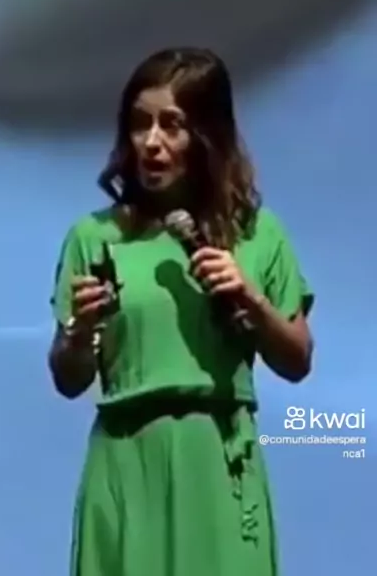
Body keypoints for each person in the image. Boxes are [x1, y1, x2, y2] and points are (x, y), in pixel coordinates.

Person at [48, 47, 314, 576]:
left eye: (171, 125)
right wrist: (79, 334)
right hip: (126, 464)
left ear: (207, 134)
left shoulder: (257, 234)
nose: (151, 142)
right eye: (139, 124)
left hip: (216, 463)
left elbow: (297, 360)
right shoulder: (94, 236)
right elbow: (68, 378)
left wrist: (253, 301)